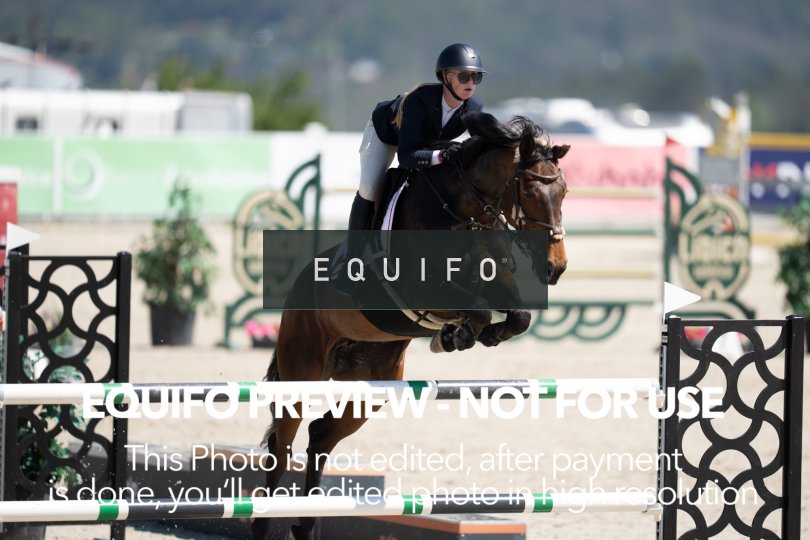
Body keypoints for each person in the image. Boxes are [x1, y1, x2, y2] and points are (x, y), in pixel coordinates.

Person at [333, 43, 486, 292]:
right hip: (385, 135)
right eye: (463, 76)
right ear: (446, 77)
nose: (471, 82)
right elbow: (406, 156)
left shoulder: (474, 108)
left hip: (421, 143)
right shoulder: (419, 101)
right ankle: (352, 262)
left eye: (476, 77)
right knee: (370, 188)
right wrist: (440, 156)